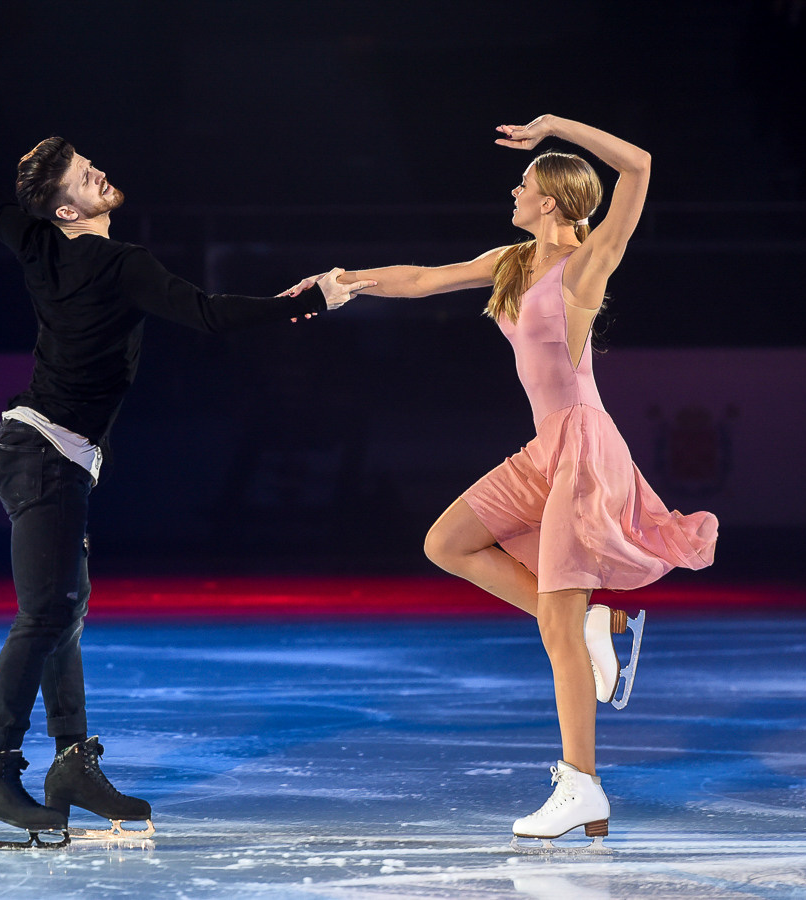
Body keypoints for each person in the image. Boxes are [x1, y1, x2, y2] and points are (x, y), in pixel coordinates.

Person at [0, 65, 373, 847]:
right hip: (43, 454)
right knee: (47, 614)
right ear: (70, 206)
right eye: (84, 175)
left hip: (44, 455)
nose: (99, 172)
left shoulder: (36, 241)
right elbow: (208, 316)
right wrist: (307, 301)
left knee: (64, 614)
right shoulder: (119, 262)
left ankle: (70, 762)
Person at [296, 114, 717, 845]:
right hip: (545, 449)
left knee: (555, 634)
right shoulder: (514, 261)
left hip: (585, 450)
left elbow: (640, 166)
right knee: (449, 542)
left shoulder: (586, 265)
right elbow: (425, 280)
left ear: (551, 199)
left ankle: (581, 784)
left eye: (524, 184)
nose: (514, 190)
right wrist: (345, 284)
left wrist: (558, 126)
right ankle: (592, 624)